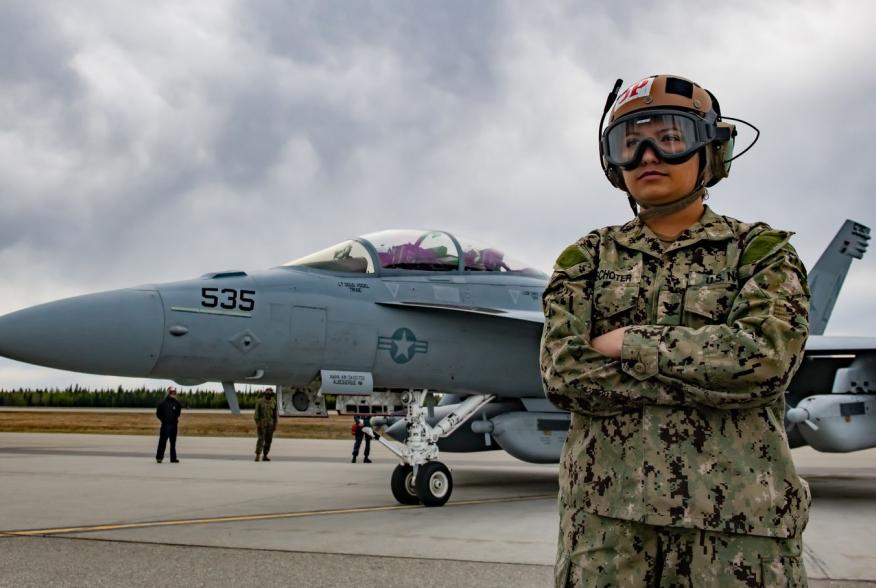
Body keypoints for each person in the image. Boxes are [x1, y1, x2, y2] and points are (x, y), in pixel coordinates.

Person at [540, 74, 811, 586]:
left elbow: (765, 364)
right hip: (606, 537)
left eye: (670, 138)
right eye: (630, 142)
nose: (647, 155)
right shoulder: (586, 258)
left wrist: (628, 345)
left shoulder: (761, 253)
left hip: (736, 536)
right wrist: (709, 375)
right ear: (612, 162)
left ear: (712, 150)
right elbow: (564, 375)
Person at [155, 386, 182, 463]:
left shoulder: (177, 404)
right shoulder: (162, 403)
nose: (173, 394)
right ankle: (159, 458)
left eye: (174, 392)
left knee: (173, 443)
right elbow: (158, 414)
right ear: (168, 392)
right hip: (165, 425)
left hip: (174, 426)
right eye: (172, 392)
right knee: (162, 442)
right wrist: (163, 420)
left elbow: (178, 414)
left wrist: (173, 419)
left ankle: (173, 459)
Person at [254, 387, 278, 462]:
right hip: (262, 424)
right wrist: (258, 423)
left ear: (271, 394)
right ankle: (258, 455)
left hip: (270, 425)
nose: (268, 395)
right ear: (265, 394)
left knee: (268, 441)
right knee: (261, 440)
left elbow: (275, 415)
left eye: (269, 393)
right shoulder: (260, 402)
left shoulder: (274, 402)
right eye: (267, 393)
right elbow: (256, 414)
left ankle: (265, 455)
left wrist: (275, 425)